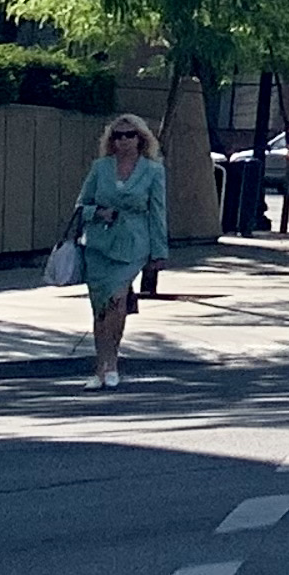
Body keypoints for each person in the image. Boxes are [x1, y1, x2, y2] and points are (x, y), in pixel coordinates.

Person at [69, 114, 169, 389]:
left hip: (134, 244)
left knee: (117, 301)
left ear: (140, 138)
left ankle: (112, 363)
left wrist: (159, 253)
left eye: (129, 135)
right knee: (100, 308)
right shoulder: (100, 168)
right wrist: (98, 212)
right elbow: (81, 205)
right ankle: (100, 366)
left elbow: (158, 213)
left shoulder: (153, 171)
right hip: (99, 245)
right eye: (118, 136)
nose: (123, 140)